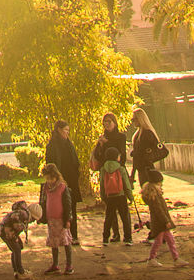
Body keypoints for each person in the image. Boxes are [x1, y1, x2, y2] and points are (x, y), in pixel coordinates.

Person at [91, 111, 132, 244]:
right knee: (110, 208)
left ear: (114, 122)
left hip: (118, 172)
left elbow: (120, 155)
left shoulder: (120, 137)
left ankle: (127, 235)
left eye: (109, 121)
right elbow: (98, 156)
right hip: (106, 172)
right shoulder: (103, 137)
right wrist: (101, 144)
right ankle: (115, 233)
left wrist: (107, 143)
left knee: (122, 208)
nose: (107, 124)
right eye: (105, 122)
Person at [43, 118, 83, 244]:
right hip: (58, 180)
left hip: (71, 180)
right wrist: (55, 178)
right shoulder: (52, 146)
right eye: (65, 130)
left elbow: (75, 161)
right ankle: (60, 236)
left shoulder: (69, 144)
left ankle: (73, 235)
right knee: (59, 209)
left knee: (71, 208)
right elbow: (50, 165)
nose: (67, 133)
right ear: (59, 130)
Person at [140, 168, 179, 264]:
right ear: (157, 183)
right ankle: (152, 259)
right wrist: (166, 221)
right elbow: (159, 210)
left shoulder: (154, 193)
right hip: (160, 223)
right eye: (160, 182)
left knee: (170, 240)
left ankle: (176, 258)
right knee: (159, 242)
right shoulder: (155, 196)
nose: (161, 184)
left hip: (160, 222)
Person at [41, 163, 74, 275]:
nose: (49, 181)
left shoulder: (62, 187)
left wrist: (68, 219)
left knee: (66, 241)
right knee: (53, 242)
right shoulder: (46, 187)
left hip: (61, 219)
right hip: (51, 219)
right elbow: (43, 202)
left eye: (51, 178)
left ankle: (69, 265)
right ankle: (55, 264)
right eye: (47, 179)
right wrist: (42, 216)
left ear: (56, 176)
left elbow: (68, 204)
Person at [0, 195, 37, 278]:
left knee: (18, 247)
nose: (33, 222)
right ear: (32, 216)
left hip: (8, 231)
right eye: (34, 219)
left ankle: (16, 270)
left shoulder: (23, 214)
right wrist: (14, 234)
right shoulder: (24, 215)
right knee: (16, 249)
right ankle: (20, 271)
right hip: (7, 232)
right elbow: (13, 220)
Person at [129, 104, 169, 189]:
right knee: (147, 193)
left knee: (151, 193)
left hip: (148, 170)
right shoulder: (137, 136)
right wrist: (132, 175)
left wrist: (148, 158)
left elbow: (161, 150)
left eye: (134, 119)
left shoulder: (147, 134)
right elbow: (136, 158)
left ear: (140, 119)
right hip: (141, 170)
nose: (133, 122)